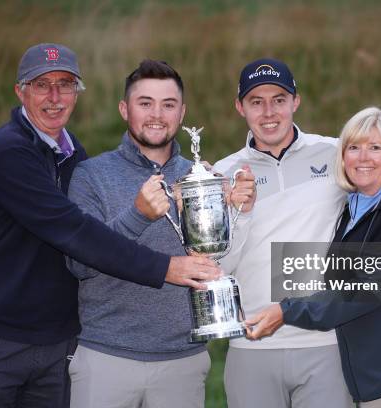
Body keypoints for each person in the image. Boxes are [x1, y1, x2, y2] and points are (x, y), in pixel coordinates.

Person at [0, 44, 220, 408]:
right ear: (20, 91)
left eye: (66, 85)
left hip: (56, 344)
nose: (54, 97)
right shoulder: (8, 152)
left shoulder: (74, 157)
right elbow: (77, 235)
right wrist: (167, 267)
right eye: (42, 85)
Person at [213, 58, 381, 408]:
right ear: (240, 107)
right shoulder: (222, 174)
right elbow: (216, 266)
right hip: (253, 341)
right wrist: (239, 213)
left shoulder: (338, 153)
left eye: (279, 100)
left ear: (295, 102)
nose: (269, 112)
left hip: (328, 341)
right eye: (256, 101)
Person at [65, 59, 255, 408]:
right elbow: (79, 265)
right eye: (145, 103)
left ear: (182, 113)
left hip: (182, 361)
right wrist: (137, 215)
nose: (157, 114)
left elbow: (218, 263)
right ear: (125, 109)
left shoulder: (202, 177)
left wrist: (236, 211)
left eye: (168, 105)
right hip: (107, 358)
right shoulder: (90, 176)